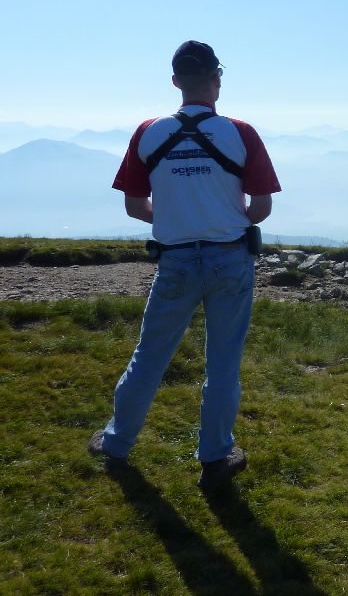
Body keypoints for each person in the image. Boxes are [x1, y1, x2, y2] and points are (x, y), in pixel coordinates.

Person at [89, 40, 281, 490]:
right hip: (230, 258)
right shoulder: (241, 132)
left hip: (174, 261)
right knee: (223, 362)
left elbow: (136, 207)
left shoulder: (148, 132)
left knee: (150, 355)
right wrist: (225, 221)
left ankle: (116, 443)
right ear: (217, 80)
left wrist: (176, 219)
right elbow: (262, 208)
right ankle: (214, 457)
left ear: (175, 81)